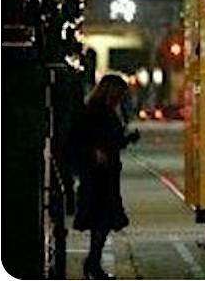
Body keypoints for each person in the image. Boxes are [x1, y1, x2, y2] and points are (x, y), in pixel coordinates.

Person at [69, 74, 140, 279]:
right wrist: (95, 151)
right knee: (102, 220)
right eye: (119, 93)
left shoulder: (102, 110)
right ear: (111, 91)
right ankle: (93, 263)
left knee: (102, 221)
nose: (120, 97)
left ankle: (93, 263)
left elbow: (111, 141)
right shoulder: (96, 112)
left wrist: (126, 139)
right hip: (97, 176)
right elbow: (83, 139)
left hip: (105, 174)